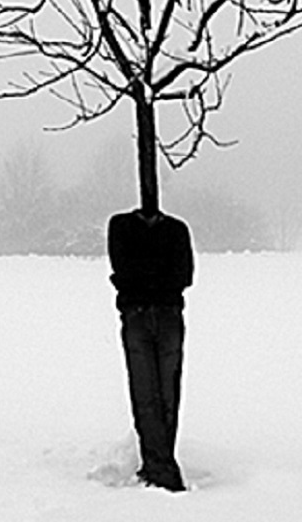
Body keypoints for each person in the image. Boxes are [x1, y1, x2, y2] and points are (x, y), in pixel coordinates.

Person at [106, 207, 194, 492]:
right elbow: (123, 270)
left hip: (167, 316)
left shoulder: (176, 230)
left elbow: (184, 275)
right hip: (138, 315)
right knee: (145, 390)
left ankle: (160, 461)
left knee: (167, 392)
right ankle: (159, 463)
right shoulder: (122, 227)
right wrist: (155, 279)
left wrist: (144, 280)